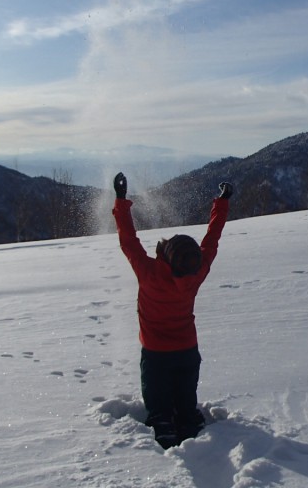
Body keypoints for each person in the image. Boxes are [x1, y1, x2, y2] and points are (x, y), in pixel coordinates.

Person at [112, 172, 233, 449]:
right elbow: (211, 240)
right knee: (186, 405)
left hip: (155, 355)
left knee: (159, 412)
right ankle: (195, 436)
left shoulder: (149, 273)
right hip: (187, 352)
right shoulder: (196, 274)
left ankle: (166, 440)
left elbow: (128, 241)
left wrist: (121, 200)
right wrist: (222, 202)